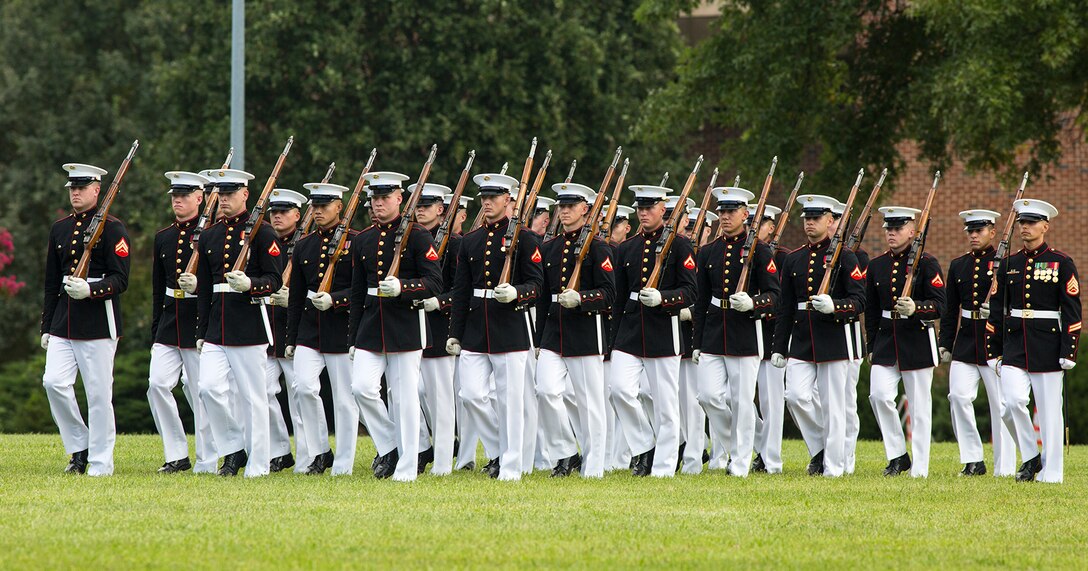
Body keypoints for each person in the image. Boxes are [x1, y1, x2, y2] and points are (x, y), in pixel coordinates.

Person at [187, 168, 284, 477]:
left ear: (245, 195)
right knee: (208, 389)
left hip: (249, 326)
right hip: (217, 326)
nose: (224, 200)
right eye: (221, 195)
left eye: (230, 194)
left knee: (254, 398)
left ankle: (259, 465)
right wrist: (201, 331)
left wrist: (251, 285)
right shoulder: (211, 235)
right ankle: (233, 448)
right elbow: (204, 287)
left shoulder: (263, 232)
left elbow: (275, 279)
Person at [447, 172, 544, 481]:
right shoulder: (471, 240)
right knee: (471, 395)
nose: (487, 203)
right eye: (483, 198)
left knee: (511, 401)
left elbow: (538, 284)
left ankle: (511, 466)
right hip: (476, 329)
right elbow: (461, 291)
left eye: (493, 198)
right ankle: (499, 451)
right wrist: (454, 333)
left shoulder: (527, 238)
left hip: (510, 327)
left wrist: (518, 293)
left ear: (508, 200)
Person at [348, 172, 443, 481]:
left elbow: (434, 282)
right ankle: (389, 445)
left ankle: (407, 467)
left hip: (405, 325)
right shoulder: (363, 239)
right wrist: (352, 337)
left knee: (403, 398)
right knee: (361, 387)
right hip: (371, 326)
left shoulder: (418, 236)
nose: (378, 204)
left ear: (399, 199)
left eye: (384, 198)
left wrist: (403, 286)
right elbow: (357, 292)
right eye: (374, 199)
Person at [41, 163, 131, 476]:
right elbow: (52, 282)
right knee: (53, 382)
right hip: (63, 322)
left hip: (97, 323)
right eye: (72, 188)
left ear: (97, 190)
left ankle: (101, 461)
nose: (76, 193)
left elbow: (121, 280)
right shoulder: (60, 228)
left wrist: (91, 289)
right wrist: (47, 326)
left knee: (97, 394)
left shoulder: (114, 229)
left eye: (82, 188)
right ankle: (79, 446)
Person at [771, 194, 865, 478]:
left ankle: (833, 468)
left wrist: (835, 307)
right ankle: (822, 449)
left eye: (816, 219)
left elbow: (859, 301)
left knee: (835, 406)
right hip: (801, 339)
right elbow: (786, 307)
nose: (810, 223)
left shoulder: (847, 258)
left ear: (831, 221)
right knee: (796, 396)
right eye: (807, 219)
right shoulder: (794, 259)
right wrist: (779, 346)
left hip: (834, 339)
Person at [987, 199, 1080, 484]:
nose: (1025, 228)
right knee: (1011, 403)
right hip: (1015, 345)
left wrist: (1069, 350)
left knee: (1050, 412)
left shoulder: (1061, 262)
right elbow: (997, 309)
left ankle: (1051, 473)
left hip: (1048, 346)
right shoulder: (1009, 264)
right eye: (1021, 223)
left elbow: (1072, 309)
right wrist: (993, 349)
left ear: (1045, 226)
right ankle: (1030, 455)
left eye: (1031, 223)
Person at [609, 183, 697, 477]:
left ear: (663, 209)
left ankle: (663, 467)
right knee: (619, 389)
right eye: (640, 208)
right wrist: (613, 339)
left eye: (649, 208)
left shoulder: (681, 245)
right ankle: (644, 445)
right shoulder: (627, 247)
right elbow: (619, 297)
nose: (643, 213)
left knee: (665, 405)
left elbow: (690, 292)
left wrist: (665, 298)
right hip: (631, 329)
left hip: (663, 329)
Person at [692, 188, 779, 477]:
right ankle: (746, 445)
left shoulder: (761, 251)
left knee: (742, 401)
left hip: (745, 333)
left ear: (745, 214)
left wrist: (754, 303)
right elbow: (702, 300)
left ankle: (740, 463)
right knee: (707, 396)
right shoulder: (708, 252)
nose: (725, 217)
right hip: (715, 332)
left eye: (731, 212)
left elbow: (775, 296)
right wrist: (697, 341)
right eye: (722, 212)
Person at [535, 182, 615, 478]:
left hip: (585, 332)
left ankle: (593, 466)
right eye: (562, 206)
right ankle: (566, 452)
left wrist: (582, 298)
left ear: (585, 209)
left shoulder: (599, 247)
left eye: (571, 206)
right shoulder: (550, 247)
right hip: (554, 332)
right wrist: (538, 338)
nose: (565, 211)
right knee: (545, 391)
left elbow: (609, 294)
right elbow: (544, 297)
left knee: (590, 403)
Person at [865, 206, 946, 478]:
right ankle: (898, 454)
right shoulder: (876, 266)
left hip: (917, 340)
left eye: (898, 229)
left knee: (920, 408)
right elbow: (873, 311)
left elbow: (940, 306)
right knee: (878, 395)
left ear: (912, 232)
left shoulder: (928, 264)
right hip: (887, 341)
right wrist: (871, 345)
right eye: (888, 228)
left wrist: (917, 308)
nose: (891, 233)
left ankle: (920, 468)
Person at [283, 182, 356, 475]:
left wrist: (337, 300)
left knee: (344, 400)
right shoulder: (305, 245)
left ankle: (344, 462)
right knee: (302, 387)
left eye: (324, 207)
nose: (318, 212)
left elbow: (361, 290)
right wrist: (291, 337)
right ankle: (320, 451)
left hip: (342, 330)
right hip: (309, 330)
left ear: (339, 207)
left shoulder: (357, 241)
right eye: (314, 207)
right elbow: (297, 297)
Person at [147, 170, 216, 474]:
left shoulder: (212, 234)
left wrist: (198, 286)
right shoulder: (163, 236)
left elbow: (220, 280)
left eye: (184, 196)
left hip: (198, 319)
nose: (177, 201)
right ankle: (176, 454)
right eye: (175, 196)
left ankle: (208, 457)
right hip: (169, 320)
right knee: (157, 384)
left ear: (199, 198)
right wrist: (155, 327)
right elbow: (156, 285)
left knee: (201, 391)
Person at [938, 209, 1016, 477]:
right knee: (958, 396)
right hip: (967, 340)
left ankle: (1004, 467)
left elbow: (1013, 305)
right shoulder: (959, 265)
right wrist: (945, 343)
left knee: (1000, 404)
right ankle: (973, 460)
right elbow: (951, 310)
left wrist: (994, 313)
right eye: (970, 231)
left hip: (995, 341)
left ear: (992, 232)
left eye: (979, 230)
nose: (973, 235)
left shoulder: (1005, 263)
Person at [415, 182, 459, 475]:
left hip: (439, 326)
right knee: (406, 392)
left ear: (441, 210)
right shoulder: (410, 239)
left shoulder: (455, 244)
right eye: (417, 206)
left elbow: (462, 289)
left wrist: (440, 302)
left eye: (426, 206)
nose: (420, 212)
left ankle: (442, 460)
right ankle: (419, 449)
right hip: (408, 325)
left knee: (441, 397)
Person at [263, 189, 308, 474]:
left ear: (297, 215)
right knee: (262, 391)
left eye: (283, 212)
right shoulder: (260, 241)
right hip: (266, 331)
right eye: (273, 212)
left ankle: (307, 454)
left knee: (299, 394)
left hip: (295, 331)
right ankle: (279, 450)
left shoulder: (305, 244)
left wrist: (293, 298)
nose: (277, 216)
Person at [828, 199, 870, 474]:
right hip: (823, 336)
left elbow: (858, 296)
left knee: (845, 401)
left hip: (849, 337)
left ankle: (847, 457)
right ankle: (829, 450)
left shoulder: (858, 258)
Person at [748, 204, 786, 474]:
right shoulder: (740, 254)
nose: (753, 228)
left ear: (772, 227)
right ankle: (761, 444)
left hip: (772, 335)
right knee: (728, 398)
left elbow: (781, 299)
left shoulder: (784, 258)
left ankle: (770, 459)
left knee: (771, 402)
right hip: (747, 336)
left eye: (758, 223)